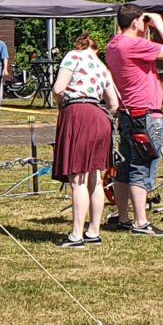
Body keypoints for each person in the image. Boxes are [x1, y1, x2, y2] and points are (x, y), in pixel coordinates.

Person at [105, 4, 163, 235]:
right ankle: (141, 222)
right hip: (145, 114)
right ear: (135, 22)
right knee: (143, 165)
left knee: (124, 166)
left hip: (128, 113)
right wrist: (159, 24)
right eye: (142, 21)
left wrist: (144, 28)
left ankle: (123, 218)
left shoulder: (114, 44)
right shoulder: (133, 45)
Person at [51, 30, 122, 247]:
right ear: (96, 49)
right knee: (95, 178)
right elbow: (114, 104)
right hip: (100, 117)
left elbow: (58, 88)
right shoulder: (102, 67)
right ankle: (93, 231)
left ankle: (76, 235)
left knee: (78, 179)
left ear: (79, 45)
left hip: (78, 114)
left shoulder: (73, 56)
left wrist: (60, 104)